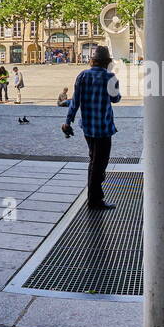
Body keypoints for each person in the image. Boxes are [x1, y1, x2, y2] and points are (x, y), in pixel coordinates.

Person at [63, 44, 119, 210]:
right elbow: (116, 99)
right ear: (107, 62)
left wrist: (68, 121)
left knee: (93, 160)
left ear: (92, 60)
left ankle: (95, 197)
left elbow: (75, 102)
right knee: (99, 163)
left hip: (88, 127)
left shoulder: (82, 76)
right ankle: (95, 200)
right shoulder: (111, 78)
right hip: (103, 127)